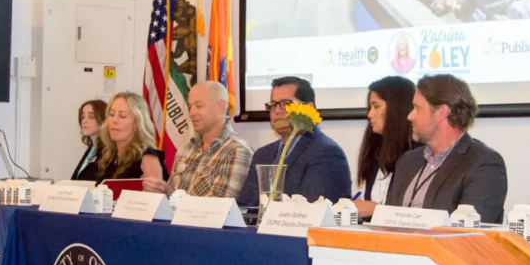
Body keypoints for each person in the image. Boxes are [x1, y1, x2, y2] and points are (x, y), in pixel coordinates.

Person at [385, 74, 507, 223]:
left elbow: (471, 231)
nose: (410, 116)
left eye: (417, 108)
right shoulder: (408, 161)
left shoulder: (484, 164)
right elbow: (386, 220)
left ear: (442, 112)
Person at [237, 77, 351, 206]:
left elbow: (312, 209)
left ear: (308, 108)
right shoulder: (262, 155)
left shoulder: (327, 153)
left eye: (286, 104)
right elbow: (245, 206)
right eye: (273, 105)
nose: (277, 111)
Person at [143, 81, 252, 198]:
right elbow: (172, 197)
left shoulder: (237, 151)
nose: (192, 112)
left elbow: (219, 205)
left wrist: (171, 195)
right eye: (190, 106)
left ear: (220, 106)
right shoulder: (186, 148)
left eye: (199, 106)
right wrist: (164, 191)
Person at [354, 76, 420, 219]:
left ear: (396, 108)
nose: (370, 114)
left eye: (376, 106)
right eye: (370, 107)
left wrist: (376, 209)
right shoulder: (375, 151)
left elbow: (418, 214)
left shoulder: (420, 155)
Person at [96, 92, 168, 183]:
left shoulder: (147, 157)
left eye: (122, 116)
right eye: (112, 114)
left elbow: (155, 191)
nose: (114, 120)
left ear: (137, 123)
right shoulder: (108, 155)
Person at [72, 99, 106, 181]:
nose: (84, 121)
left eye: (91, 117)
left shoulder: (107, 150)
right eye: (83, 117)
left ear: (103, 120)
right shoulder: (92, 147)